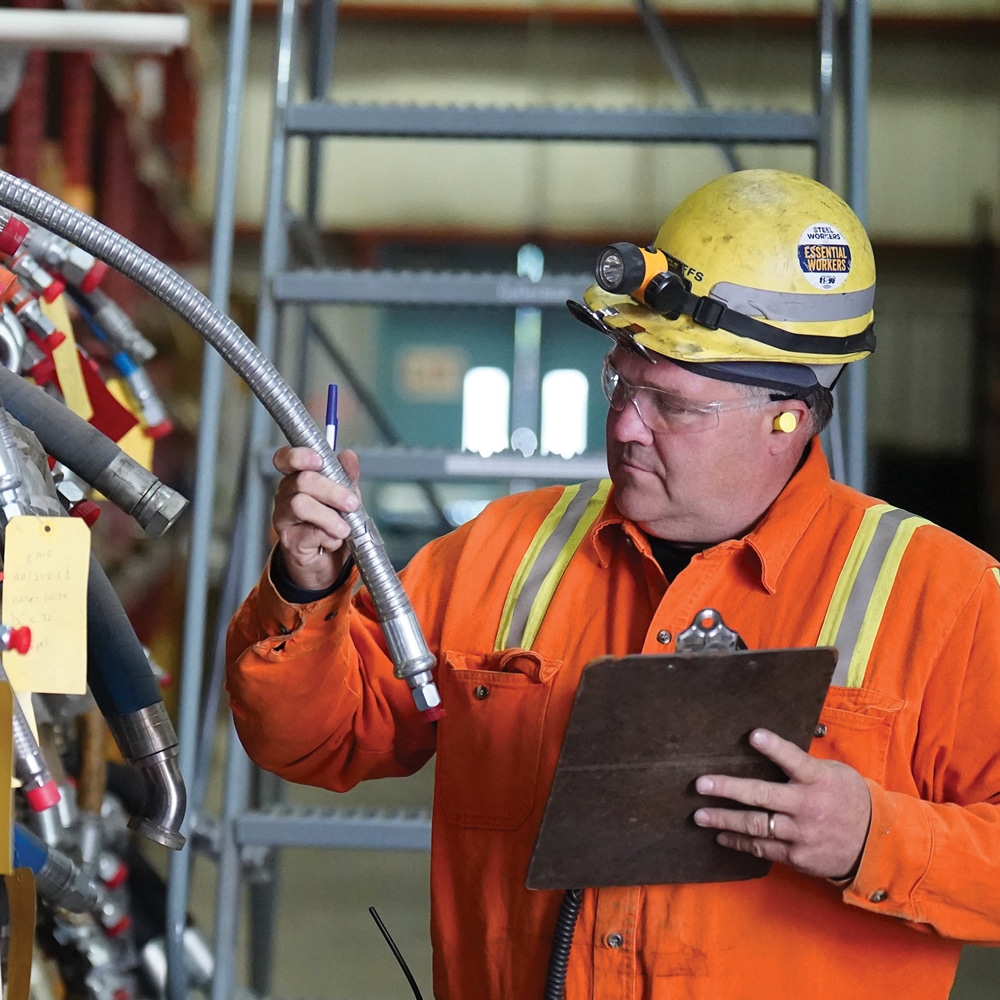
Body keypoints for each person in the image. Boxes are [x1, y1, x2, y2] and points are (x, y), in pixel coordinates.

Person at [226, 169, 1000, 1000]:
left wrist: (875, 839)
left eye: (673, 405)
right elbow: (313, 740)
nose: (626, 425)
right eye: (621, 384)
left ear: (789, 418)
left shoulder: (947, 599)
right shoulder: (502, 551)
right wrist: (307, 584)